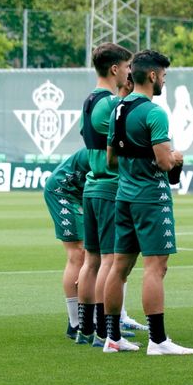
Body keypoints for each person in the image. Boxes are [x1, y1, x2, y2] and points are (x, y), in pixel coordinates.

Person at [104, 49, 193, 354]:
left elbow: (110, 160)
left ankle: (112, 338)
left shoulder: (118, 108)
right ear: (153, 75)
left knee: (119, 268)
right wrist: (176, 157)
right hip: (151, 199)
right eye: (164, 76)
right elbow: (164, 162)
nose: (165, 81)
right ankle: (157, 340)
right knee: (156, 267)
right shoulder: (155, 113)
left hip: (124, 196)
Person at [77, 42, 133, 347]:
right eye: (127, 68)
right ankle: (104, 330)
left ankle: (85, 328)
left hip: (91, 186)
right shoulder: (112, 104)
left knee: (91, 261)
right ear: (115, 69)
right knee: (111, 263)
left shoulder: (88, 101)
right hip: (110, 188)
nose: (129, 73)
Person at [44, 145, 88, 340]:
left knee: (92, 254)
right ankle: (75, 323)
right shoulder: (103, 149)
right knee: (77, 253)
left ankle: (100, 317)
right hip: (63, 192)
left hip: (81, 194)